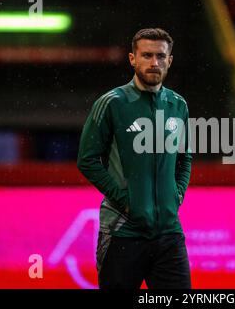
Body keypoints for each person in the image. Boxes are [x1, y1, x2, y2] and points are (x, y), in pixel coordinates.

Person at [77, 28, 192, 289]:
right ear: (132, 59)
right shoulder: (111, 103)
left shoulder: (178, 105)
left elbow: (185, 158)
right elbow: (87, 160)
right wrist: (125, 201)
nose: (154, 63)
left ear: (169, 61)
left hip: (169, 233)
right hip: (122, 232)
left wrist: (176, 197)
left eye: (161, 56)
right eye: (147, 55)